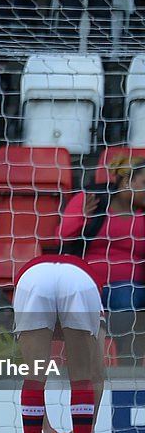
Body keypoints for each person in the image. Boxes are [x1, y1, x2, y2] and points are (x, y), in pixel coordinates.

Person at [13, 253, 106, 433]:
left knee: (34, 378)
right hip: (80, 280)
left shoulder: (34, 276)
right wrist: (89, 426)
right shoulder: (87, 283)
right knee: (83, 376)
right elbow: (97, 376)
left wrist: (46, 429)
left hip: (32, 277)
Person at [58, 155, 145, 363]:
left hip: (130, 288)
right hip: (87, 283)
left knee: (125, 299)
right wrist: (82, 217)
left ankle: (121, 355)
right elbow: (62, 234)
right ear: (127, 182)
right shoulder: (93, 199)